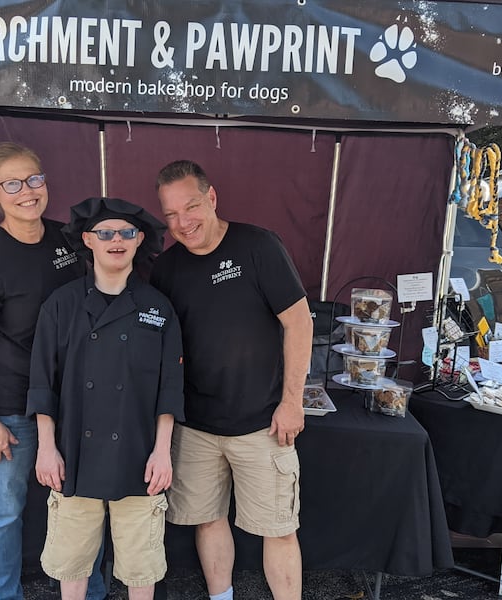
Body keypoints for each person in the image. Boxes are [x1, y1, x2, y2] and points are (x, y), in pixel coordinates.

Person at [151, 160, 313, 600]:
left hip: (263, 424)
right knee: (207, 520)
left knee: (279, 528)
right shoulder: (165, 269)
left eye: (191, 207)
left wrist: (292, 402)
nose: (183, 222)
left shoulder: (258, 246)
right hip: (195, 427)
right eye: (171, 214)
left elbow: (299, 323)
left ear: (212, 197)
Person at [0, 142, 106, 600]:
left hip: (70, 403)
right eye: (12, 184)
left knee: (81, 506)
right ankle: (1, 595)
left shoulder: (68, 240)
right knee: (3, 513)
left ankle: (90, 591)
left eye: (34, 179)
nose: (27, 191)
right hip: (8, 408)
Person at [27, 197, 184, 600]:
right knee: (73, 563)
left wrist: (162, 452)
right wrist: (47, 448)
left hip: (139, 454)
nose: (117, 240)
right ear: (88, 240)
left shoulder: (158, 308)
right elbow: (43, 383)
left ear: (139, 241)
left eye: (127, 233)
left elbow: (169, 388)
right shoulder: (61, 305)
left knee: (141, 566)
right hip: (74, 453)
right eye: (106, 233)